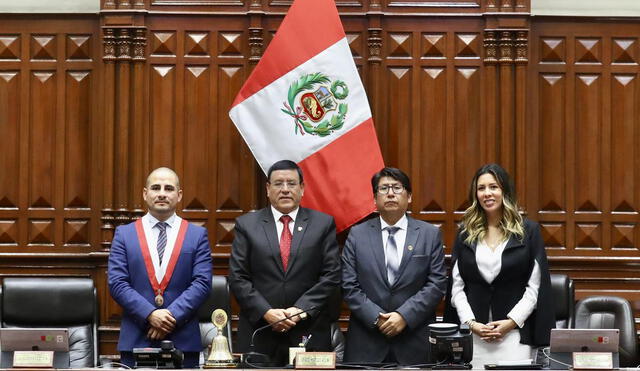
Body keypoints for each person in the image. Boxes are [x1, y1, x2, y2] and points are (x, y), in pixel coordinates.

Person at [229, 160, 341, 366]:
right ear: (268, 189)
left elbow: (332, 275)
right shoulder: (247, 225)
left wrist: (300, 309)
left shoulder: (322, 224)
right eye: (279, 183)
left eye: (291, 183)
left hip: (308, 330)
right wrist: (266, 312)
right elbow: (238, 277)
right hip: (260, 330)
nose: (285, 189)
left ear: (302, 188)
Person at [443, 163, 555, 367]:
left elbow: (534, 288)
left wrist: (511, 322)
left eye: (493, 187)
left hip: (514, 337)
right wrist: (471, 323)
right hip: (474, 338)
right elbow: (457, 288)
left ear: (505, 191)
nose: (487, 193)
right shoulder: (465, 233)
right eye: (481, 188)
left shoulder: (528, 231)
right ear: (475, 194)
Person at [108, 167, 212, 368]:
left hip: (182, 340)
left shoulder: (197, 235)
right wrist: (150, 314)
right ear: (145, 194)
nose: (162, 193)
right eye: (156, 188)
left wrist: (169, 317)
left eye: (169, 188)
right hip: (137, 338)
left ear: (179, 195)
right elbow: (117, 283)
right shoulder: (124, 234)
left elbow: (202, 283)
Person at [342, 167, 447, 365]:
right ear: (374, 199)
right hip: (367, 341)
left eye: (397, 188)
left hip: (414, 340)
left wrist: (404, 316)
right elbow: (348, 285)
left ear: (409, 197)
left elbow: (437, 283)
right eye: (383, 189)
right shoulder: (357, 235)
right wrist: (376, 318)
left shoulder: (429, 234)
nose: (390, 193)